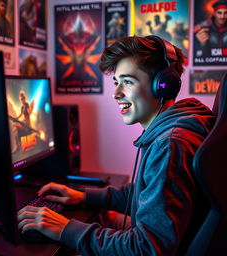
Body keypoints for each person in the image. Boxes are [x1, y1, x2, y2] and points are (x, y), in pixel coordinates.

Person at [17, 35, 216, 255]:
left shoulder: (170, 144)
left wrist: (65, 228)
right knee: (107, 219)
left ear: (163, 85)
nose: (116, 93)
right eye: (116, 82)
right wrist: (85, 196)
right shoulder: (175, 129)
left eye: (128, 82)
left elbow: (146, 248)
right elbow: (147, 191)